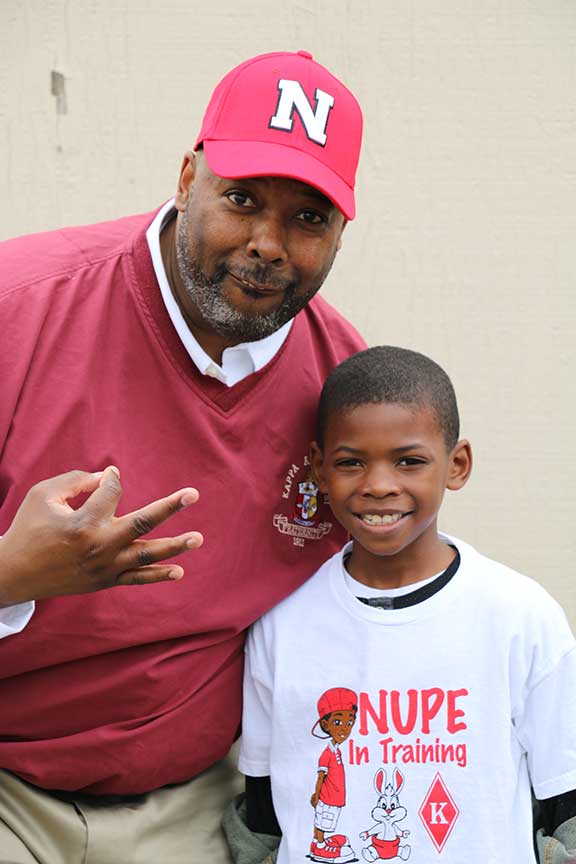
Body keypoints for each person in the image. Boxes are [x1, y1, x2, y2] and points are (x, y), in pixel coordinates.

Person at [0, 51, 365, 863]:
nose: (269, 245)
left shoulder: (347, 391)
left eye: (308, 219)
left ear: (343, 230)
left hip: (199, 803)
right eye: (242, 200)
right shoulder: (18, 308)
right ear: (186, 177)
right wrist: (13, 575)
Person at [234, 346, 576, 863]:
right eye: (351, 462)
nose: (378, 486)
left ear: (456, 465)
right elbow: (263, 812)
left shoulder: (520, 617)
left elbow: (564, 805)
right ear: (320, 470)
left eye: (409, 461)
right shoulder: (281, 623)